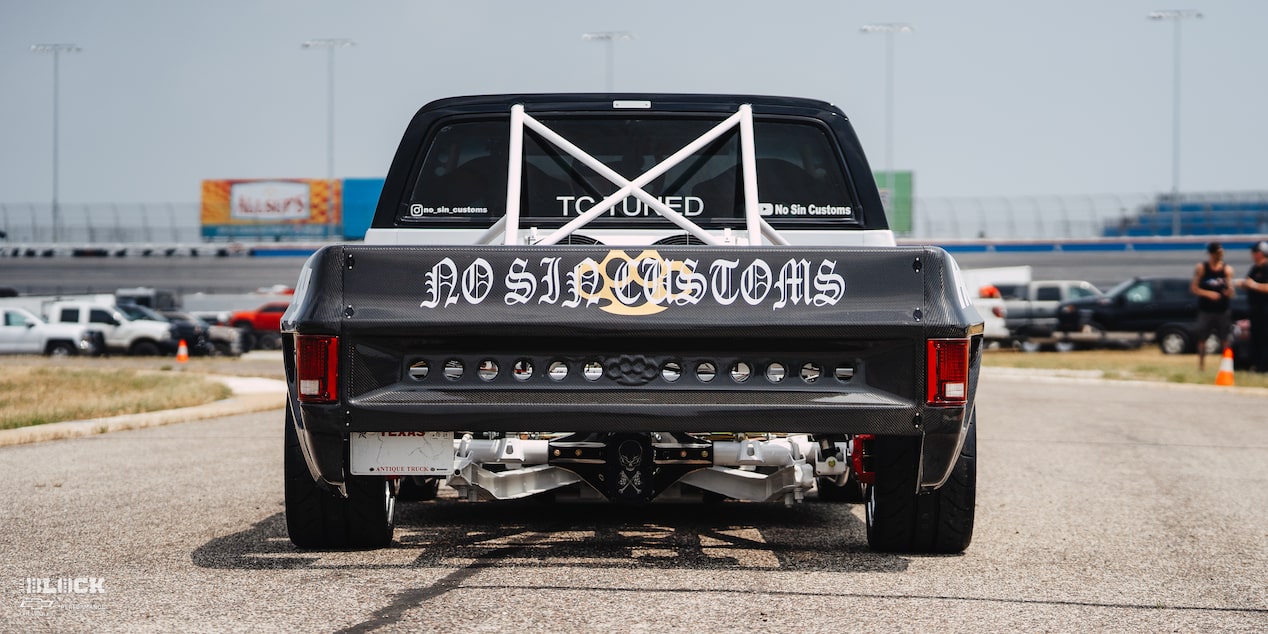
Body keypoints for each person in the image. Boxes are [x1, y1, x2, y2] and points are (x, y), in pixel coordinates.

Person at [1190, 241, 1235, 371]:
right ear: (1211, 253)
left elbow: (1231, 289)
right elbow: (1194, 288)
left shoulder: (1227, 269)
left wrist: (1229, 291)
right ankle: (1201, 366)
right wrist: (1208, 294)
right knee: (1202, 339)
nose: (1220, 255)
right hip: (1206, 310)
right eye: (1218, 253)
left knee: (1225, 340)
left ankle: (1226, 366)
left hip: (1222, 310)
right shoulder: (1202, 268)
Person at [1236, 241, 1268, 373]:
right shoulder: (1255, 268)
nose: (1252, 255)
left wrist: (1254, 285)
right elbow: (1249, 282)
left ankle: (1265, 367)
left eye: (1255, 252)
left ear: (1261, 253)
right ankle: (1257, 365)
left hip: (1266, 309)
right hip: (1255, 310)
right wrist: (1243, 284)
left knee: (1266, 339)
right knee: (1256, 338)